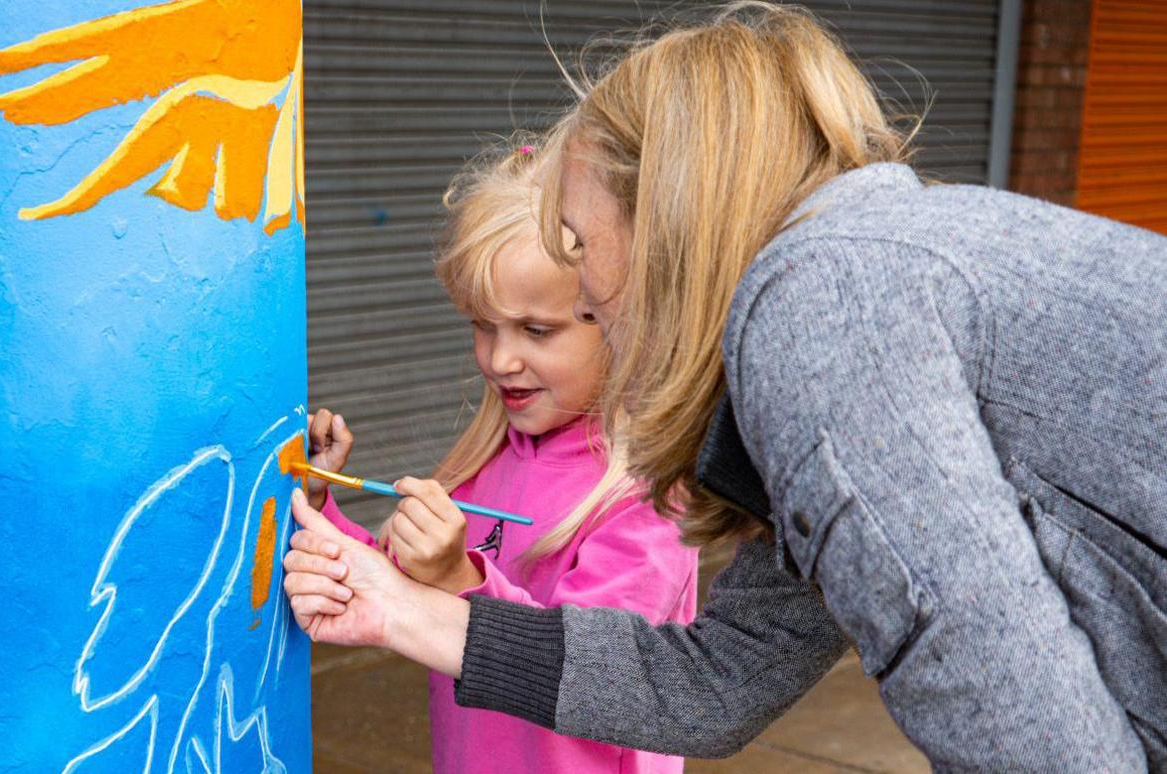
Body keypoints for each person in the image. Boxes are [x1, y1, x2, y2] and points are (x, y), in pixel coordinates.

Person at [283, 2, 1167, 770]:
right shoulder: (860, 287)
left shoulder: (822, 309)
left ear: (667, 216)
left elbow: (1021, 730)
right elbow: (710, 682)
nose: (585, 287)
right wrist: (399, 609)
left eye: (581, 244)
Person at [297, 141, 699, 774]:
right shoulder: (486, 463)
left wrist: (460, 579)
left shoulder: (649, 496)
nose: (498, 359)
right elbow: (390, 593)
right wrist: (321, 505)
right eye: (483, 325)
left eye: (536, 330)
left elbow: (595, 672)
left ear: (623, 318)